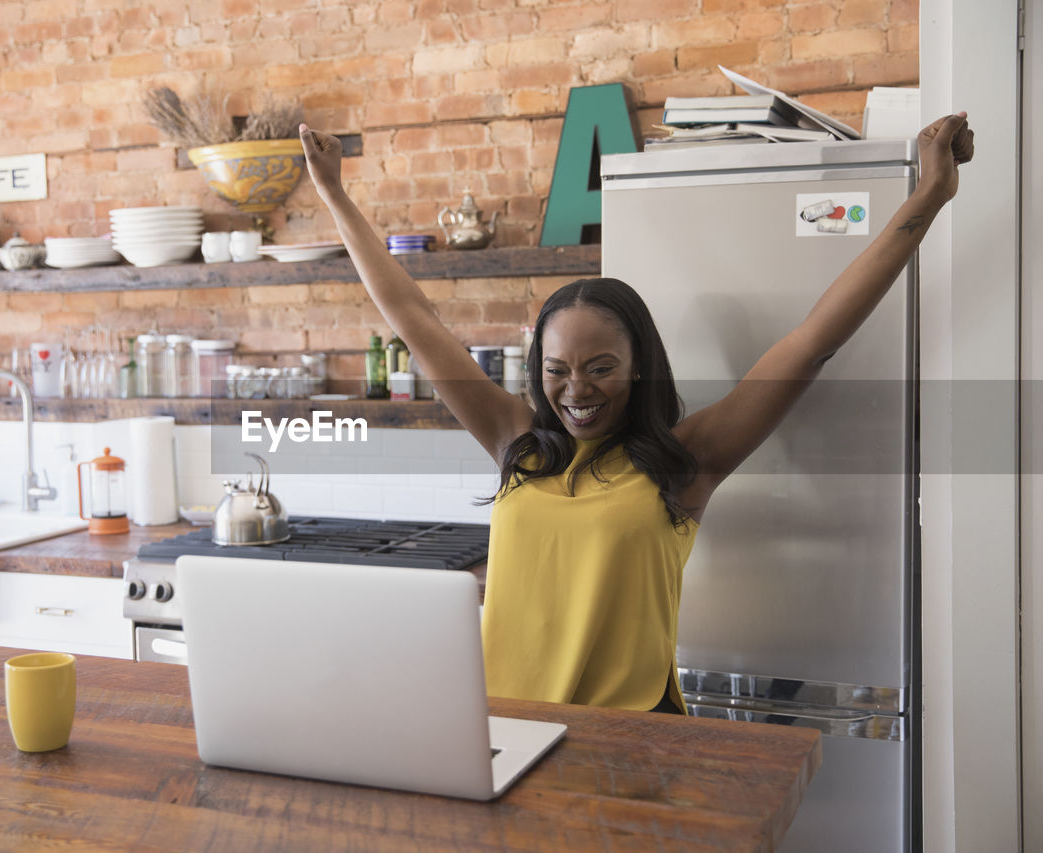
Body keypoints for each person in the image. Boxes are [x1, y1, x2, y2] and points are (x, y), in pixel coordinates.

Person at [298, 113, 974, 713]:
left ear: (639, 365)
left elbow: (815, 338)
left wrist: (929, 195)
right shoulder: (517, 445)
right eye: (557, 371)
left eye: (600, 369)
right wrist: (333, 193)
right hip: (503, 731)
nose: (576, 391)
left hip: (630, 742)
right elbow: (412, 319)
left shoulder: (685, 462)